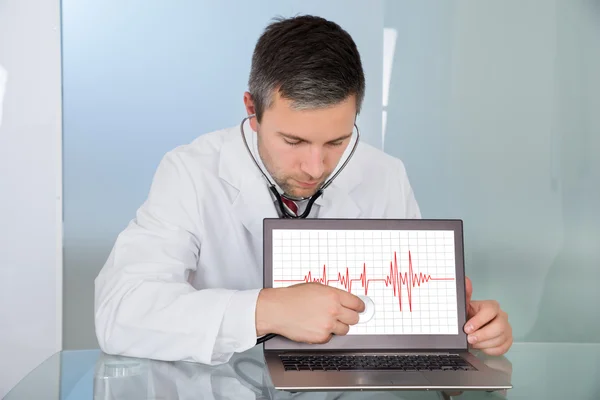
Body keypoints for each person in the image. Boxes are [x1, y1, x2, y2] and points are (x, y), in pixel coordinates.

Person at [94, 15, 513, 365]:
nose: (316, 168)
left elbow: (408, 318)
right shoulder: (191, 172)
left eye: (336, 142)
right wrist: (266, 310)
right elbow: (120, 312)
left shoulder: (385, 175)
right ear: (251, 110)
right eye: (293, 142)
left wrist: (466, 327)